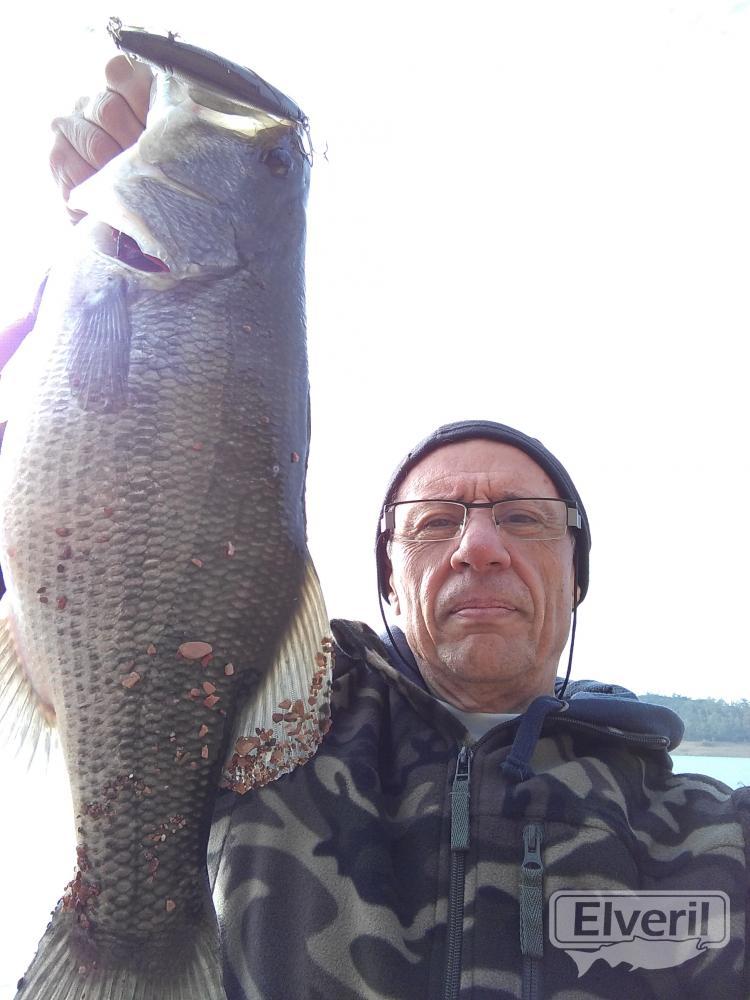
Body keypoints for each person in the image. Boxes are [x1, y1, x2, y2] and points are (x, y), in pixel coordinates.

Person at [3, 56, 748, 1000]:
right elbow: (90, 510)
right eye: (435, 523)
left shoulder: (712, 839)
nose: (480, 547)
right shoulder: (271, 730)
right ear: (387, 579)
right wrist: (82, 274)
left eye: (524, 519)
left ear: (578, 572)